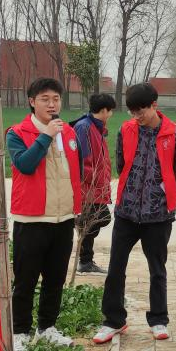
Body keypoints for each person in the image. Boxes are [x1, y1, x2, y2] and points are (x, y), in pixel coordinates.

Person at [93, 83, 176, 344]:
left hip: (158, 216)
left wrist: (162, 196)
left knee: (157, 269)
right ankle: (113, 321)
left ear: (154, 105)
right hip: (126, 212)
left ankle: (158, 319)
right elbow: (121, 163)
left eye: (141, 111)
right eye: (132, 111)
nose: (136, 116)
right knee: (116, 267)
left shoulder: (175, 134)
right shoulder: (126, 130)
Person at [5, 77, 82, 351]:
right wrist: (46, 135)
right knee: (25, 280)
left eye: (56, 99)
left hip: (63, 218)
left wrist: (78, 207)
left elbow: (76, 171)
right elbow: (25, 165)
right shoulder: (17, 133)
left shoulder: (69, 132)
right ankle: (20, 332)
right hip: (32, 219)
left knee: (55, 279)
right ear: (32, 102)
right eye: (45, 99)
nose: (52, 104)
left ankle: (47, 328)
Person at [71, 93, 116, 274]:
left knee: (91, 222)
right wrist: (96, 179)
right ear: (104, 110)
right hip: (88, 187)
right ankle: (85, 260)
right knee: (100, 219)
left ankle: (86, 261)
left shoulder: (96, 128)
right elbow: (82, 160)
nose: (111, 114)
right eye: (110, 111)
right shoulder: (84, 127)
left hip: (95, 187)